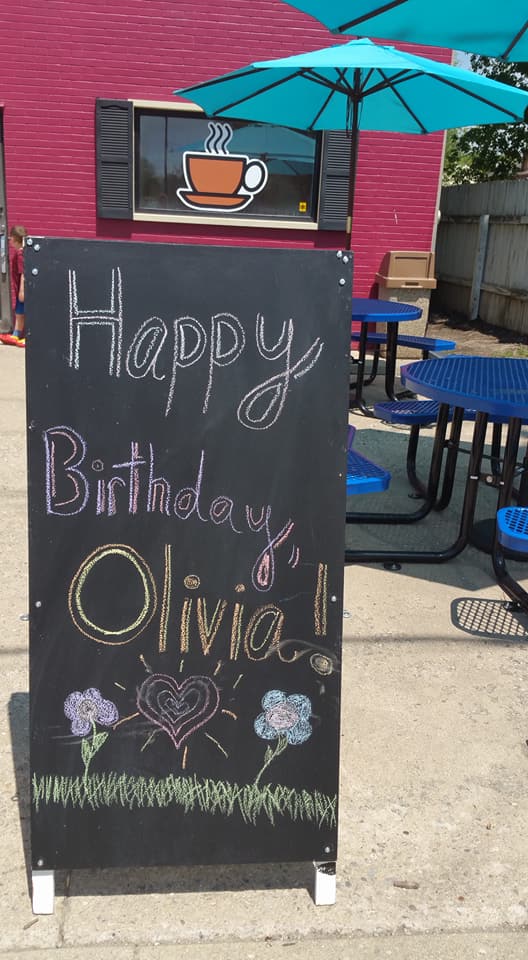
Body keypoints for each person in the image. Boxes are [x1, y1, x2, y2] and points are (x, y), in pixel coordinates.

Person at [0, 225, 27, 347]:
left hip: (23, 290)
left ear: (15, 240)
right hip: (20, 290)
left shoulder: (21, 254)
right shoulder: (22, 252)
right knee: (19, 312)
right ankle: (16, 334)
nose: (9, 241)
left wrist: (22, 290)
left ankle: (26, 335)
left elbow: (23, 273)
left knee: (23, 312)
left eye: (10, 239)